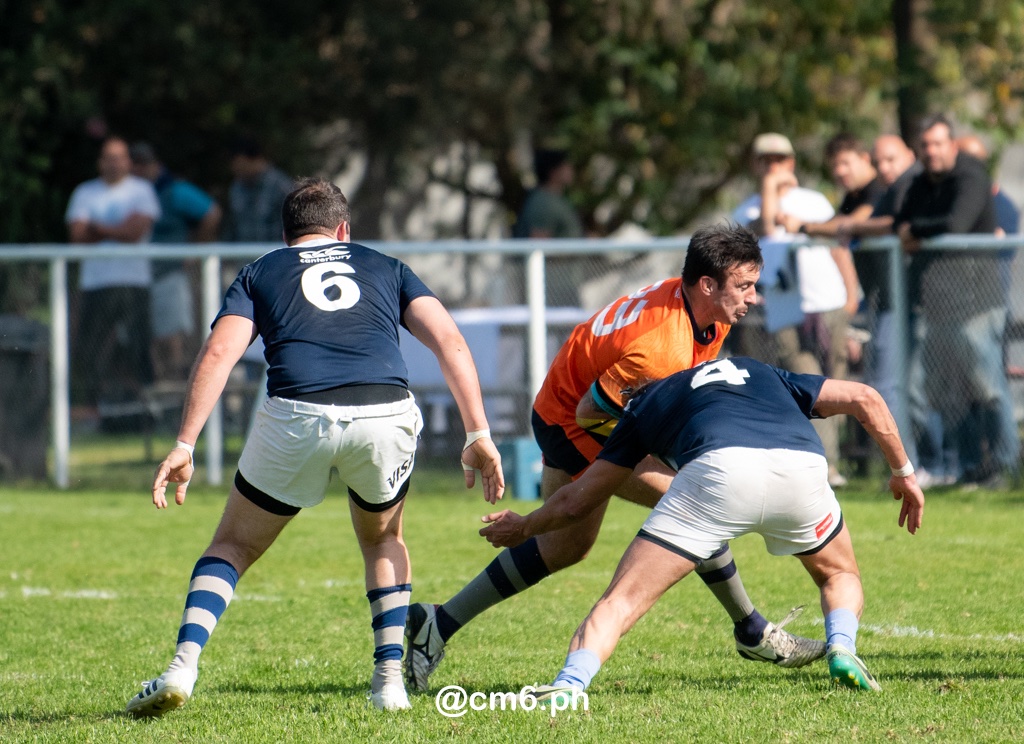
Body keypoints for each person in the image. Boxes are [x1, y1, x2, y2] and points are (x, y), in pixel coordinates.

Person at [125, 178, 505, 717]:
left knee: (232, 547)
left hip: (297, 413)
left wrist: (185, 443)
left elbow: (217, 354)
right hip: (384, 412)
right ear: (343, 231)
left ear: (286, 236)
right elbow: (450, 340)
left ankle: (182, 666)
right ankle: (390, 680)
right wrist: (478, 434)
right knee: (382, 540)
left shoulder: (262, 270)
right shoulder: (385, 265)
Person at [405, 223, 828, 695]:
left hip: (563, 403)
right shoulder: (657, 347)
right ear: (708, 284)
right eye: (745, 286)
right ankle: (752, 630)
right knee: (697, 501)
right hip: (573, 417)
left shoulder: (698, 306)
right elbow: (592, 413)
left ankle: (435, 625)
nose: (754, 297)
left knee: (567, 547)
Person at [480, 356, 925, 696]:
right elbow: (865, 398)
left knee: (620, 602)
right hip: (802, 467)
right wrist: (903, 471)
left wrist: (525, 527)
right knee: (839, 573)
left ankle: (569, 686)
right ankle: (843, 647)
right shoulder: (757, 369)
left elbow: (577, 501)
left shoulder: (643, 408)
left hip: (720, 473)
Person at [895, 115, 1019, 487]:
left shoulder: (972, 175)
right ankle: (964, 468)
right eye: (925, 145)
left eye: (937, 143)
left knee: (987, 387)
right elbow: (899, 222)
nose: (931, 152)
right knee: (934, 391)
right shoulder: (920, 182)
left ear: (952, 144)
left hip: (977, 303)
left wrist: (916, 230)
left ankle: (1006, 467)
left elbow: (955, 225)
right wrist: (911, 227)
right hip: (937, 303)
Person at [732, 132, 858, 487]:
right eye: (766, 161)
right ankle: (821, 463)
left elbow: (838, 249)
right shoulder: (747, 210)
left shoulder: (813, 200)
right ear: (756, 165)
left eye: (780, 160)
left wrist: (851, 297)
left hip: (828, 303)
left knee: (835, 382)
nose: (774, 166)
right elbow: (767, 227)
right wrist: (771, 188)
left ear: (792, 162)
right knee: (807, 382)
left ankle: (832, 463)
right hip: (786, 310)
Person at [66, 136, 160, 410]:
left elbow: (135, 232)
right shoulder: (85, 192)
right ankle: (90, 406)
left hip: (134, 283)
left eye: (119, 157)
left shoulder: (142, 191)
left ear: (128, 162)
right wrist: (118, 228)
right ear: (100, 162)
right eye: (108, 157)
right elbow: (78, 235)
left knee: (138, 346)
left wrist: (99, 228)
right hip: (96, 283)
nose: (113, 163)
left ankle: (146, 407)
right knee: (92, 347)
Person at [130, 142, 223, 381]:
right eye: (135, 164)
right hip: (136, 276)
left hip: (168, 272)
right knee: (144, 334)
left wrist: (194, 250)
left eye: (144, 164)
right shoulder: (129, 193)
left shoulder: (175, 191)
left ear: (155, 165)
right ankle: (157, 380)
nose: (139, 170)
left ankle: (176, 378)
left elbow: (211, 213)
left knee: (172, 330)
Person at [513, 147, 586, 306]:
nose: (571, 170)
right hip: (551, 288)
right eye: (566, 166)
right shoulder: (543, 203)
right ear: (554, 172)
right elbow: (539, 246)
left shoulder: (555, 199)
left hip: (565, 283)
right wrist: (577, 248)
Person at [221, 137, 294, 243]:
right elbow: (232, 227)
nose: (234, 168)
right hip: (243, 257)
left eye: (237, 162)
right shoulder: (236, 188)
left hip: (274, 255)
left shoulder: (281, 187)